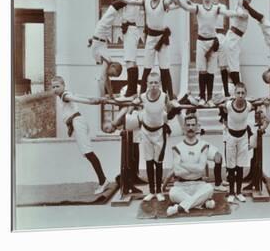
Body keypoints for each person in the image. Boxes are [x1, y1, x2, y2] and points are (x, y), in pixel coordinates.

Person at [105, 72, 176, 201]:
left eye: (156, 83)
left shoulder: (164, 97)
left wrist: (171, 108)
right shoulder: (142, 97)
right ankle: (151, 191)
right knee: (149, 161)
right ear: (147, 84)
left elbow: (170, 109)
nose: (153, 85)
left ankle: (159, 191)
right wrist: (121, 109)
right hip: (146, 132)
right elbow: (130, 104)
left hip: (159, 133)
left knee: (158, 162)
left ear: (159, 84)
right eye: (151, 83)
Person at [175, 0, 247, 106]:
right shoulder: (198, 7)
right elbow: (188, 8)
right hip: (201, 42)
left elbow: (226, 12)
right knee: (202, 71)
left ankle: (210, 98)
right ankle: (202, 97)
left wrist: (237, 14)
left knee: (211, 71)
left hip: (213, 41)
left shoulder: (216, 8)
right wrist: (180, 3)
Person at [110, 0, 180, 100]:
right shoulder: (146, 3)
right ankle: (141, 96)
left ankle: (169, 97)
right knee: (147, 67)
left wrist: (175, 1)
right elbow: (130, 1)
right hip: (151, 38)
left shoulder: (163, 4)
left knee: (164, 68)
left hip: (162, 39)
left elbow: (171, 4)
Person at [51, 76, 110, 195]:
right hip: (78, 122)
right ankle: (103, 180)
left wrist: (93, 102)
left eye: (58, 86)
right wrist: (95, 99)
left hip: (77, 123)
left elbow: (79, 99)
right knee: (87, 153)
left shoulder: (65, 95)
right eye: (53, 87)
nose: (55, 89)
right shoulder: (67, 93)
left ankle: (103, 181)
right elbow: (81, 96)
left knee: (88, 153)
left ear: (63, 86)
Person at [219, 82, 263, 203]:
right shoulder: (228, 105)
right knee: (231, 166)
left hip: (243, 137)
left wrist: (265, 103)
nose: (240, 95)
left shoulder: (248, 106)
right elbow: (219, 105)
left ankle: (239, 192)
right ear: (234, 94)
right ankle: (232, 192)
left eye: (243, 93)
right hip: (231, 137)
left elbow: (258, 104)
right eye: (238, 93)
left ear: (246, 94)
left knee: (240, 165)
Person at [165, 114, 216, 216]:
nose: (190, 128)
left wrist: (183, 164)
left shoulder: (203, 146)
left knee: (209, 188)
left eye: (193, 125)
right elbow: (178, 172)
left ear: (197, 127)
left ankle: (179, 207)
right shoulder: (177, 147)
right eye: (188, 125)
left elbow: (201, 169)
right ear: (184, 127)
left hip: (199, 184)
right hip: (181, 186)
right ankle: (200, 203)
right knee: (172, 193)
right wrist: (194, 167)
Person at [104, 0, 142, 98]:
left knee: (129, 60)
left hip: (131, 29)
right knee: (131, 60)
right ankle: (133, 89)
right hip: (128, 30)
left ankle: (131, 90)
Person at [221, 0, 250, 87]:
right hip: (233, 38)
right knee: (234, 66)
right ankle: (238, 90)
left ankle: (234, 90)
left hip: (236, 39)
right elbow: (240, 13)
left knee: (233, 66)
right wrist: (240, 14)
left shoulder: (245, 8)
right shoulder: (239, 7)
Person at [212, 0, 231, 97]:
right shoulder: (206, 7)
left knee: (223, 66)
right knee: (209, 67)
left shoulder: (222, 6)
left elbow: (224, 13)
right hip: (210, 35)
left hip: (221, 35)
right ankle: (207, 94)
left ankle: (226, 91)